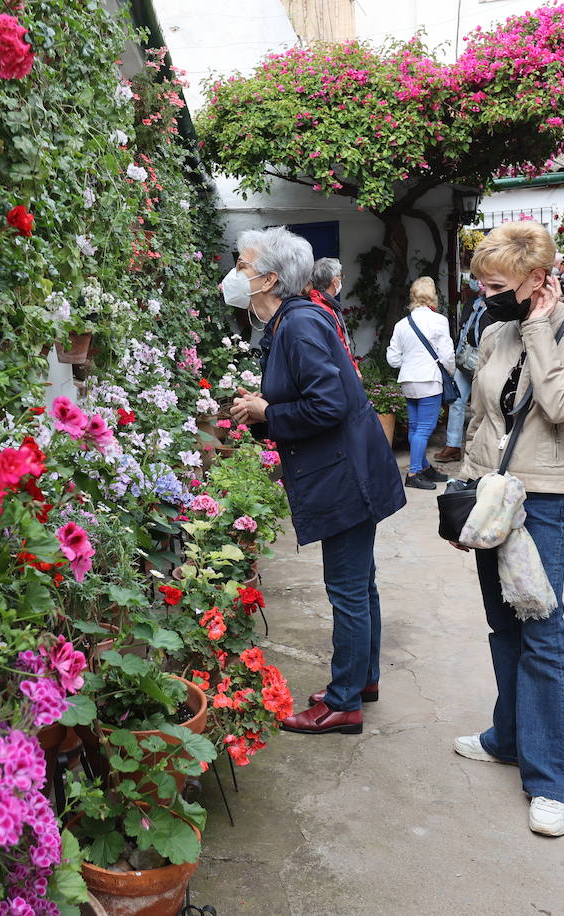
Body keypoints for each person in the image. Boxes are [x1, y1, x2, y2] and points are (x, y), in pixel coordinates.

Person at [449, 220, 564, 838]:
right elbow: (479, 415)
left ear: (538, 279)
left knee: (542, 632)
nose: (483, 295)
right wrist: (463, 486)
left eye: (495, 284)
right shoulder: (496, 331)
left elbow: (561, 405)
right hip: (490, 497)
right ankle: (509, 737)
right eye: (480, 284)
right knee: (502, 625)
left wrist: (541, 328)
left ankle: (552, 782)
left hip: (541, 502)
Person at [225, 227, 405, 736]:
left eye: (242, 265)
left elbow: (328, 405)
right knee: (359, 586)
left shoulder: (297, 325)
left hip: (345, 476)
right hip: (349, 469)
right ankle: (360, 679)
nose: (236, 274)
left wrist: (268, 411)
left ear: (270, 279)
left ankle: (344, 702)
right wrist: (264, 405)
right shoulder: (293, 320)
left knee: (347, 589)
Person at [385, 277, 454, 490]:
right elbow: (447, 355)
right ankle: (414, 472)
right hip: (429, 380)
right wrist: (449, 373)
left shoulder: (401, 324)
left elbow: (393, 359)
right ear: (432, 296)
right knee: (424, 429)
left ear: (412, 296)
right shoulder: (439, 321)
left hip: (408, 380)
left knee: (415, 428)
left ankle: (423, 467)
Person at [436, 280, 491, 464]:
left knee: (480, 406)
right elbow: (463, 329)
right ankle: (453, 446)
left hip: (484, 362)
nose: (476, 284)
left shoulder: (496, 306)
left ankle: (480, 448)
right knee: (456, 402)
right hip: (464, 361)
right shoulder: (472, 303)